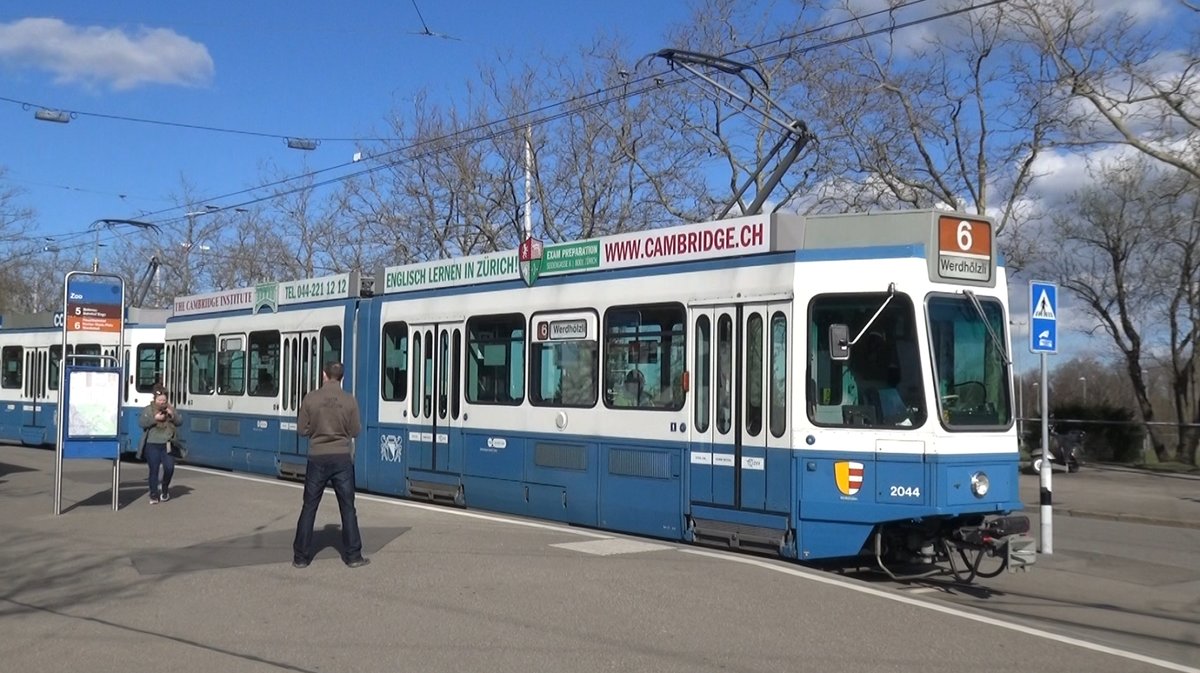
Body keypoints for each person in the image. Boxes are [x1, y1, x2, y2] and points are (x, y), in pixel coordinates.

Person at [292, 361, 369, 569]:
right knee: (348, 508)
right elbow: (355, 431)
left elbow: (301, 430)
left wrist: (316, 431)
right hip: (342, 459)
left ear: (324, 375)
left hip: (317, 458)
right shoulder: (349, 400)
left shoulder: (310, 398)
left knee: (309, 507)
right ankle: (353, 556)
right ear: (341, 378)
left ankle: (301, 557)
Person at [137, 390, 182, 504]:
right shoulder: (148, 409)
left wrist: (172, 415)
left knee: (169, 468)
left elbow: (180, 422)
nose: (162, 402)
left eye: (164, 400)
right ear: (155, 399)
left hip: (168, 443)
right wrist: (155, 419)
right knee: (154, 470)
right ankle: (153, 494)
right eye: (159, 400)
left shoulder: (170, 409)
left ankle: (165, 488)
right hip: (152, 444)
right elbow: (142, 423)